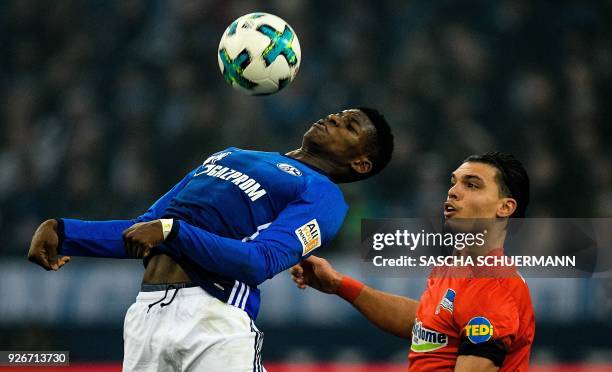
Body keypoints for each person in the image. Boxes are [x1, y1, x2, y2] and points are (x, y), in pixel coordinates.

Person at [27, 108, 394, 372]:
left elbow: (260, 261)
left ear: (361, 164)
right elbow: (145, 228)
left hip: (214, 319)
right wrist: (64, 231)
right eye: (338, 114)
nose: (333, 118)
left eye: (349, 125)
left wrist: (174, 232)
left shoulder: (323, 196)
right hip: (145, 318)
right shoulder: (231, 154)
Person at [291, 152, 535, 372]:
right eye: (454, 182)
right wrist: (339, 284)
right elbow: (427, 322)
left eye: (472, 185)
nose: (453, 191)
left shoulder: (493, 287)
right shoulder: (454, 268)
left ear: (505, 207)